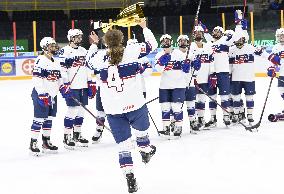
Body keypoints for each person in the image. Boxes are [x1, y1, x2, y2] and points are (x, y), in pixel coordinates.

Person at [87, 19, 157, 193]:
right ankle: (145, 150)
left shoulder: (98, 59)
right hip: (135, 104)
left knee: (123, 147)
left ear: (105, 42)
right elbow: (152, 45)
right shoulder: (132, 51)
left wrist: (95, 45)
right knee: (142, 136)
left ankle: (130, 178)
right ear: (122, 40)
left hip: (113, 110)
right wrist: (144, 27)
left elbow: (88, 61)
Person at [58, 28, 96, 149]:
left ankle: (77, 134)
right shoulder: (64, 51)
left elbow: (88, 68)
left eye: (80, 37)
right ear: (70, 38)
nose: (80, 39)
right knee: (72, 110)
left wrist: (91, 82)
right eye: (77, 37)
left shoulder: (84, 50)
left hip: (83, 85)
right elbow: (62, 70)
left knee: (81, 111)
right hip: (72, 87)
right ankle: (66, 137)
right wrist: (65, 84)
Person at [229, 11, 268, 124]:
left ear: (244, 39)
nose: (239, 41)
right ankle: (236, 115)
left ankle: (250, 116)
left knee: (249, 97)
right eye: (236, 40)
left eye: (241, 39)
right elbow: (228, 63)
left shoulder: (250, 47)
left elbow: (262, 53)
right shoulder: (232, 50)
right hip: (236, 78)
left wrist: (273, 59)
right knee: (236, 97)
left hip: (249, 77)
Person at [29, 37, 61, 156]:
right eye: (51, 45)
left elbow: (59, 78)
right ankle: (33, 143)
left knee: (49, 119)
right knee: (39, 119)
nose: (54, 47)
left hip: (53, 95)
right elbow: (37, 78)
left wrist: (63, 87)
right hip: (41, 94)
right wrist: (42, 94)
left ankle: (46, 142)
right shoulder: (40, 60)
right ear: (45, 47)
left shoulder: (56, 61)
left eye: (54, 45)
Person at [188, 25, 215, 129]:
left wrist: (212, 74)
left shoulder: (208, 46)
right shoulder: (190, 47)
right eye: (196, 33)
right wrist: (191, 77)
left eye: (200, 33)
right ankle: (193, 121)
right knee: (192, 100)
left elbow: (212, 61)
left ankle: (201, 118)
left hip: (205, 78)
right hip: (193, 79)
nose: (198, 34)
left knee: (202, 99)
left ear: (203, 35)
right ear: (193, 34)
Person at [176, 34, 201, 132]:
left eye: (185, 41)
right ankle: (176, 124)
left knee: (191, 104)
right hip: (178, 84)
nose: (183, 43)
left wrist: (196, 66)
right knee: (178, 106)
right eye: (181, 41)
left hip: (189, 83)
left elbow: (196, 71)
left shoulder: (191, 54)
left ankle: (193, 122)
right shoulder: (175, 54)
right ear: (178, 43)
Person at [267, 28, 284, 113]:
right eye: (280, 36)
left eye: (283, 36)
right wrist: (272, 69)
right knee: (281, 90)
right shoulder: (276, 47)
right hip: (281, 73)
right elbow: (274, 62)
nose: (281, 38)